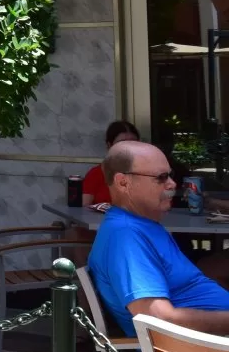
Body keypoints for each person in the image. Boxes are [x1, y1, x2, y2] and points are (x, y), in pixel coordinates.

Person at [89, 140, 229, 335]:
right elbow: (158, 319)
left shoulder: (142, 224)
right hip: (197, 349)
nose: (172, 184)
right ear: (123, 182)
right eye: (161, 178)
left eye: (170, 175)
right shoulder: (126, 236)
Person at [82, 120, 141, 207]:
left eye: (133, 143)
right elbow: (84, 209)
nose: (128, 148)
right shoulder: (96, 174)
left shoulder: (146, 172)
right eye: (121, 143)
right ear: (109, 145)